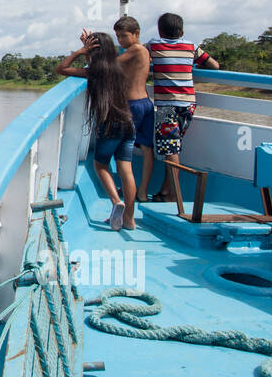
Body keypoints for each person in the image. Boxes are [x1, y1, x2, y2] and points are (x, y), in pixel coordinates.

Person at [56, 31, 137, 230]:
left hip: (108, 126)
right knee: (126, 170)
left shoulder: (93, 72)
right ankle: (129, 219)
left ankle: (116, 201)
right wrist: (88, 49)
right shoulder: (119, 68)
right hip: (128, 124)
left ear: (92, 52)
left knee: (101, 166)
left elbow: (61, 69)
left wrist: (81, 50)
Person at [143, 13, 219, 208]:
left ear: (160, 31)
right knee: (173, 147)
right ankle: (165, 190)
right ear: (182, 32)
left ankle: (172, 194)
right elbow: (214, 65)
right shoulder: (191, 46)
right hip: (189, 104)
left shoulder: (154, 45)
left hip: (167, 106)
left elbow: (140, 57)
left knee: (171, 148)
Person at [113, 16, 154, 199]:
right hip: (145, 103)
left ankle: (128, 189)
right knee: (147, 149)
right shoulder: (144, 51)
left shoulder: (135, 49)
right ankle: (143, 191)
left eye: (123, 36)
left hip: (133, 105)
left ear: (136, 34)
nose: (120, 40)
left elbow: (112, 64)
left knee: (122, 147)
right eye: (118, 37)